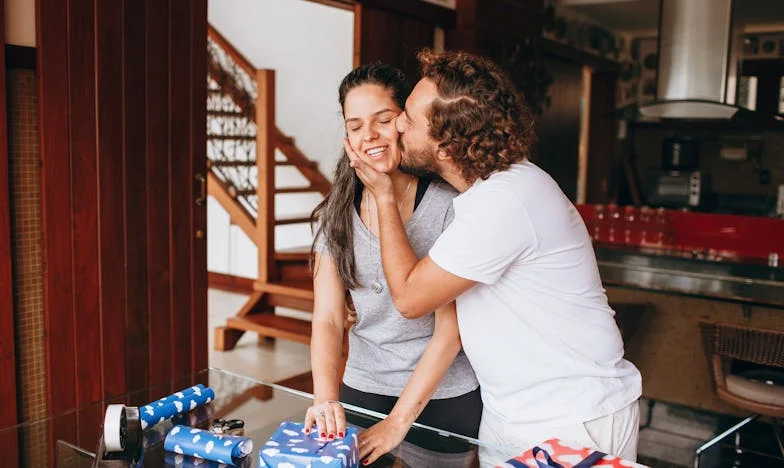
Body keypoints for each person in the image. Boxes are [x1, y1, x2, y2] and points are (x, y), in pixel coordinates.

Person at [346, 50, 643, 466]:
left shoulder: (505, 202)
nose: (396, 125)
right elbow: (444, 316)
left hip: (571, 416)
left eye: (408, 120)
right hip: (513, 412)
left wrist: (382, 196)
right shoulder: (486, 197)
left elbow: (411, 299)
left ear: (445, 148)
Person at [305, 62, 482, 465]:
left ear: (405, 122)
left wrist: (400, 419)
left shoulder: (449, 207)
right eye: (354, 126)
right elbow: (329, 318)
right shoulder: (334, 214)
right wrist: (325, 398)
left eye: (383, 120)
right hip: (364, 385)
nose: (369, 136)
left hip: (443, 394)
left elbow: (450, 333)